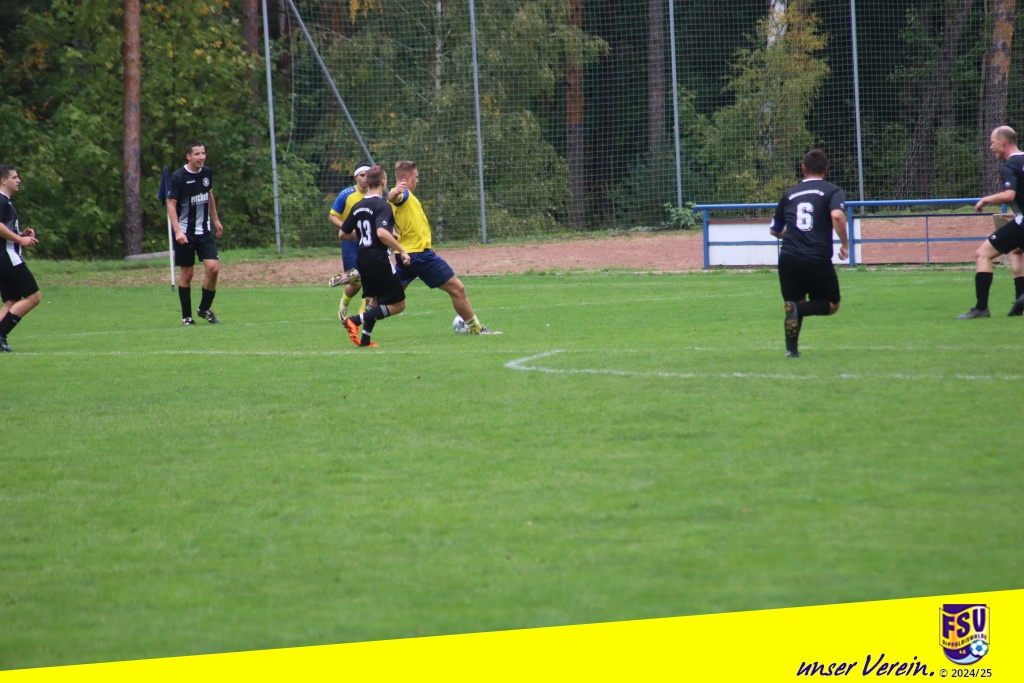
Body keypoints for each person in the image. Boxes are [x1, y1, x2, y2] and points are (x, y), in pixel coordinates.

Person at [387, 160, 499, 334]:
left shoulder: (405, 198)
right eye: (416, 177)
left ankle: (359, 319)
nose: (418, 180)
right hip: (419, 255)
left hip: (405, 256)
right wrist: (395, 192)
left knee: (389, 298)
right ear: (407, 177)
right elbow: (392, 197)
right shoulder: (404, 194)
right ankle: (477, 329)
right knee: (457, 289)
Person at [769, 149, 849, 358]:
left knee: (795, 303)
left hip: (788, 257)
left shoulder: (789, 194)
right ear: (826, 170)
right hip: (815, 256)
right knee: (832, 304)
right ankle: (797, 311)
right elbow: (837, 216)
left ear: (803, 168)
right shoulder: (832, 191)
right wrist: (845, 244)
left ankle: (791, 351)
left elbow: (774, 230)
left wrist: (791, 234)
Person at [339, 165, 411, 347]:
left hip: (362, 259)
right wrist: (402, 250)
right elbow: (381, 233)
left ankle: (365, 339)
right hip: (378, 259)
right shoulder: (382, 205)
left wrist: (366, 235)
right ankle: (354, 320)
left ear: (367, 183)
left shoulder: (357, 206)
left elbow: (343, 233)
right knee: (399, 304)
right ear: (383, 182)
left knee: (375, 299)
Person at [959, 125, 1024, 319]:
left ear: (1003, 141)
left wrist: (985, 200)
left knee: (983, 255)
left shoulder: (1009, 166)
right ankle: (1020, 301)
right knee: (1016, 251)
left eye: (992, 142)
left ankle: (981, 308)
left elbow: (1009, 195)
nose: (990, 147)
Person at [168, 141, 224, 325]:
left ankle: (204, 309)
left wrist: (216, 220)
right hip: (185, 232)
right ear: (188, 156)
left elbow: (209, 195)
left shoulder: (207, 172)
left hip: (204, 231)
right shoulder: (179, 177)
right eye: (197, 154)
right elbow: (171, 204)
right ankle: (187, 317)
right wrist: (177, 231)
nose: (201, 157)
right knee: (188, 274)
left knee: (213, 268)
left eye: (203, 153)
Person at [0, 165, 41, 353]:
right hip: (9, 258)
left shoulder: (6, 202)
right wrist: (19, 240)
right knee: (34, 297)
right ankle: (1, 333)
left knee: (11, 300)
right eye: (14, 177)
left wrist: (20, 234)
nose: (19, 180)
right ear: (3, 181)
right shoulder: (1, 200)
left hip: (4, 258)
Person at [329, 163, 372, 320]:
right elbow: (332, 216)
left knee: (370, 279)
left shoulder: (375, 194)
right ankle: (343, 304)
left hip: (369, 241)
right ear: (355, 177)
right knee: (356, 283)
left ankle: (363, 314)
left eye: (368, 175)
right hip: (351, 242)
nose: (365, 178)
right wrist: (346, 228)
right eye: (362, 175)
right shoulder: (346, 195)